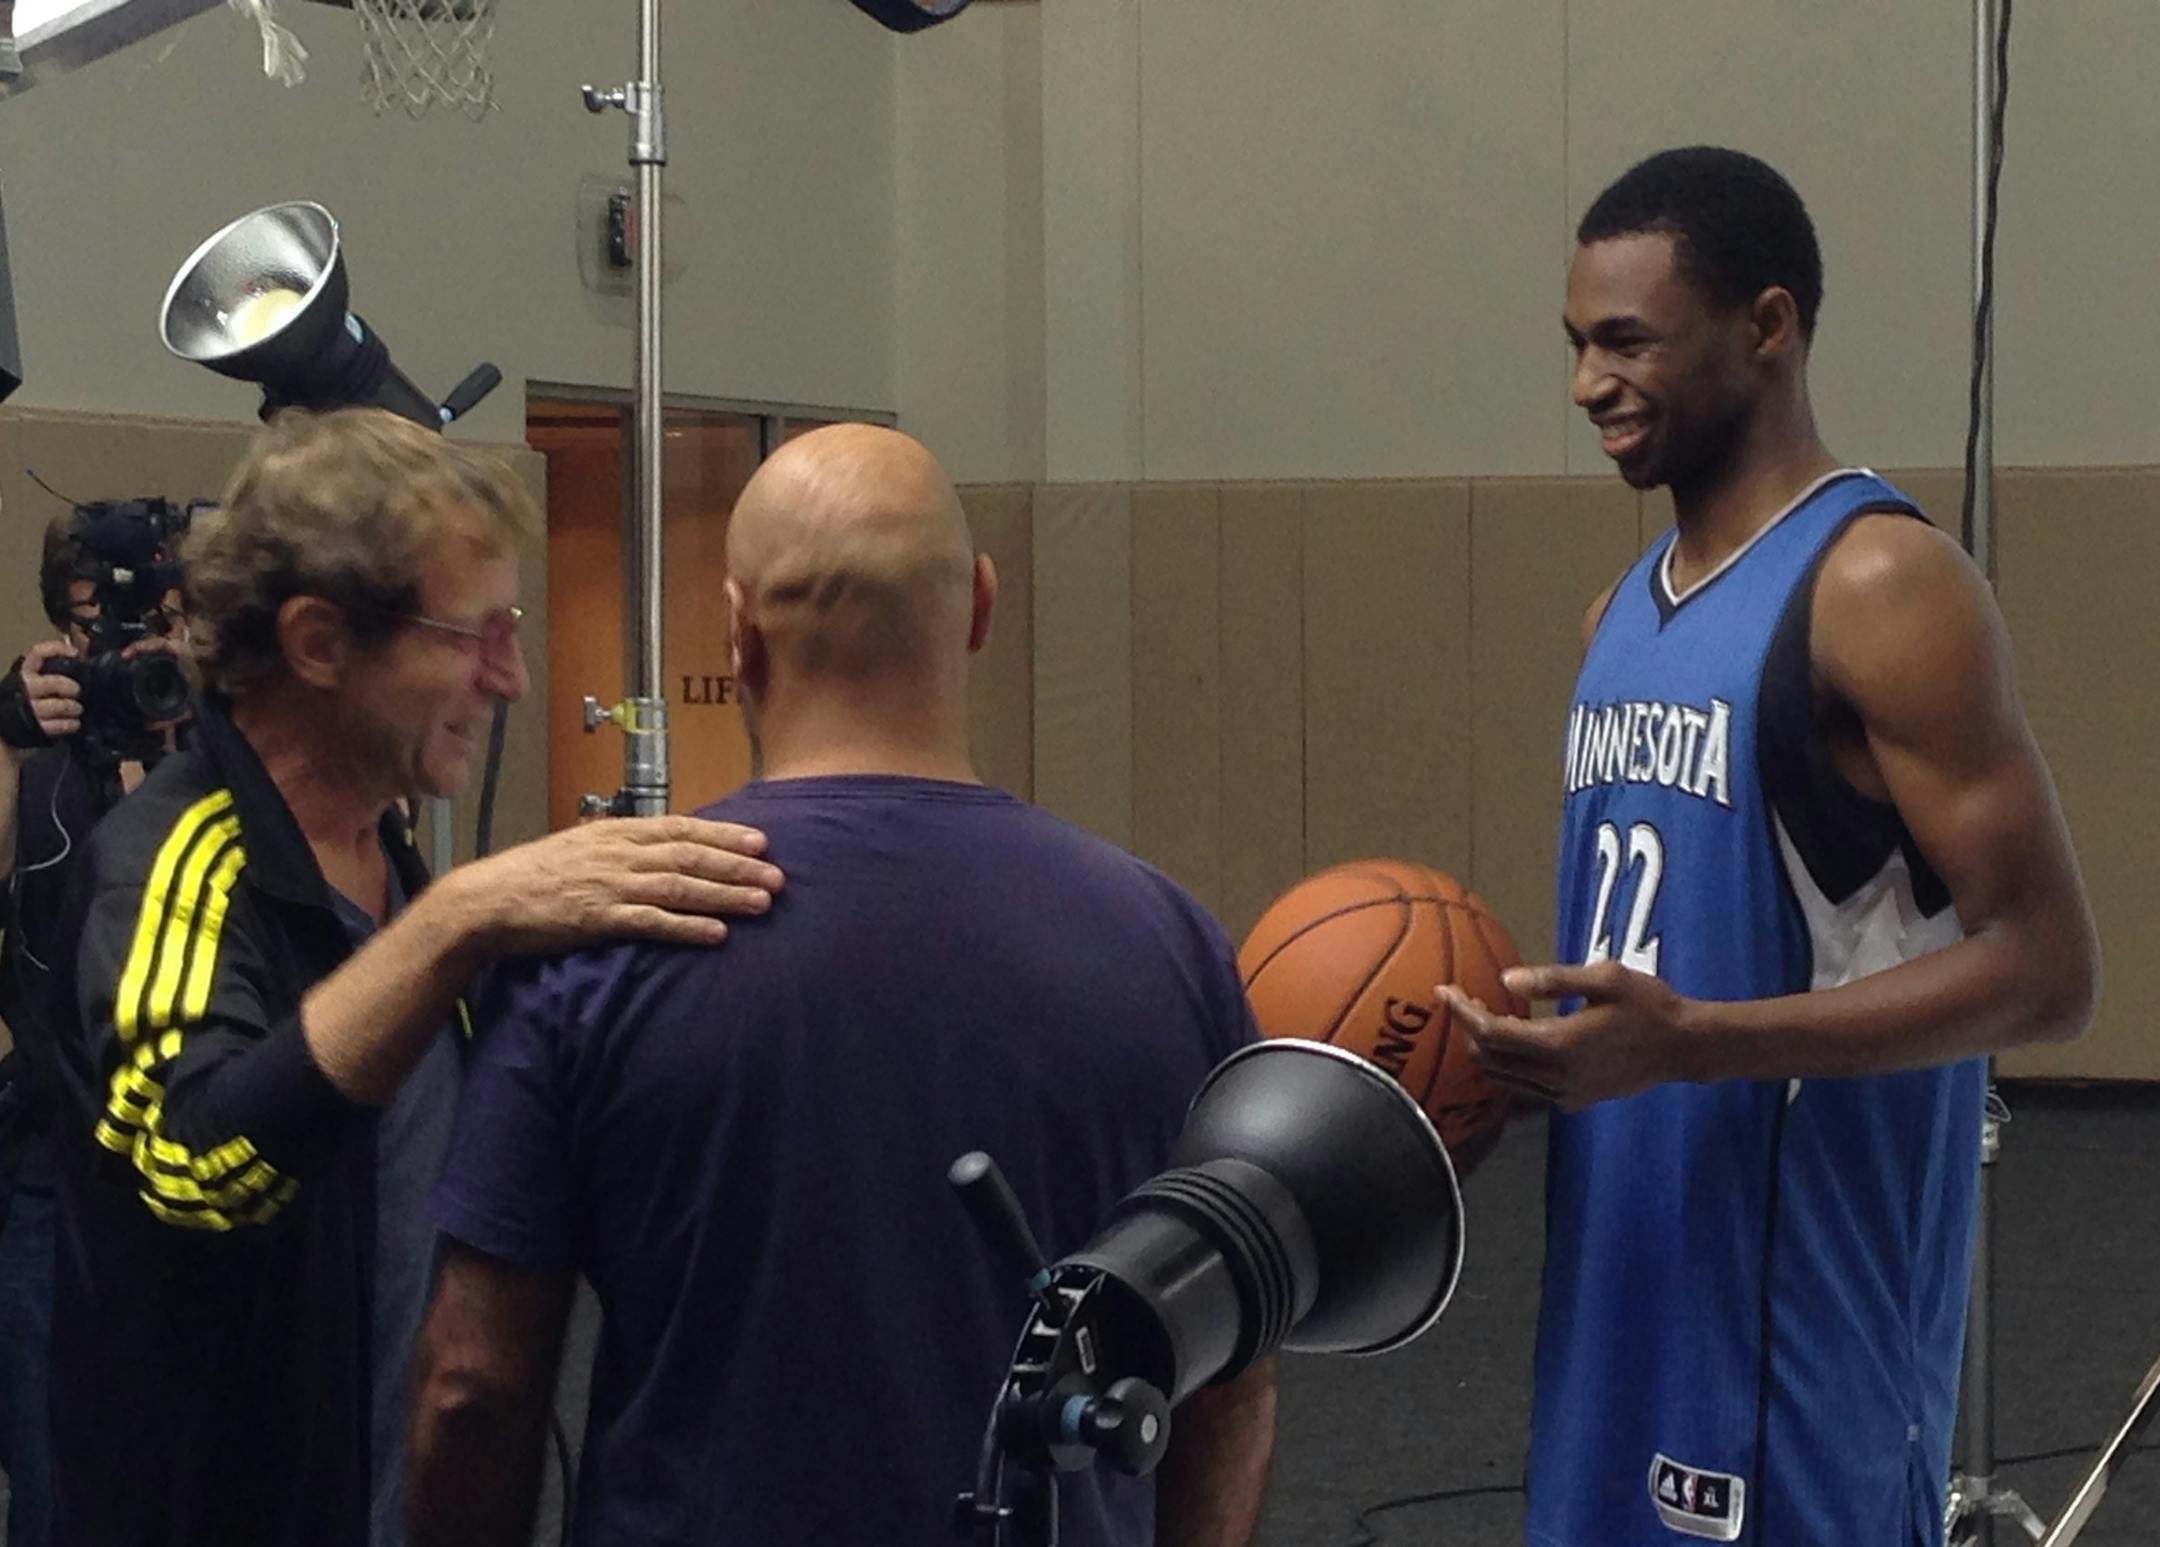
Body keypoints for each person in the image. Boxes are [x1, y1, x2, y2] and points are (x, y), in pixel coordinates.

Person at [405, 424, 1278, 1547]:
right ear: (980, 606)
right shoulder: (1171, 944)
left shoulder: (596, 942)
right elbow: (1228, 1382)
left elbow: (473, 1386)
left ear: (738, 631)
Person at [1441, 147, 2100, 1547]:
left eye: (1628, 341)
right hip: (1622, 1285)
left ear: (1767, 324)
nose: (1587, 384)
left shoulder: (1879, 583)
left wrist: (1694, 1040)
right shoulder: (1616, 615)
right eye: (1575, 345)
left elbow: (2049, 970)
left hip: (1799, 1331)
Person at [39, 406, 786, 1547]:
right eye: (472, 635)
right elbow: (193, 1164)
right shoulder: (172, 864)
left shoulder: (383, 854)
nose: (513, 678)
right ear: (319, 643)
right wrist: (456, 924)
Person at [0, 514, 194, 1547]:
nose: (126, 648)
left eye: (154, 621)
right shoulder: (33, 765)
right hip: (52, 1160)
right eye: (95, 627)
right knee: (54, 1480)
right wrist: (7, 741)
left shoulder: (224, 759)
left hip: (199, 1162)